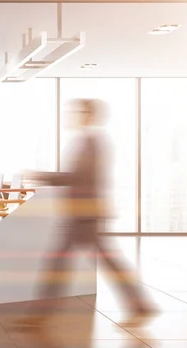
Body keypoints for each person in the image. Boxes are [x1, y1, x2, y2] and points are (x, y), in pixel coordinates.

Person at [20, 98, 157, 327]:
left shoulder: (91, 142)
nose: (71, 115)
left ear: (88, 115)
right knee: (89, 262)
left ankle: (38, 315)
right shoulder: (87, 141)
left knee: (59, 264)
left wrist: (40, 175)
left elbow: (78, 176)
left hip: (85, 215)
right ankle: (140, 306)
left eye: (76, 111)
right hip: (83, 214)